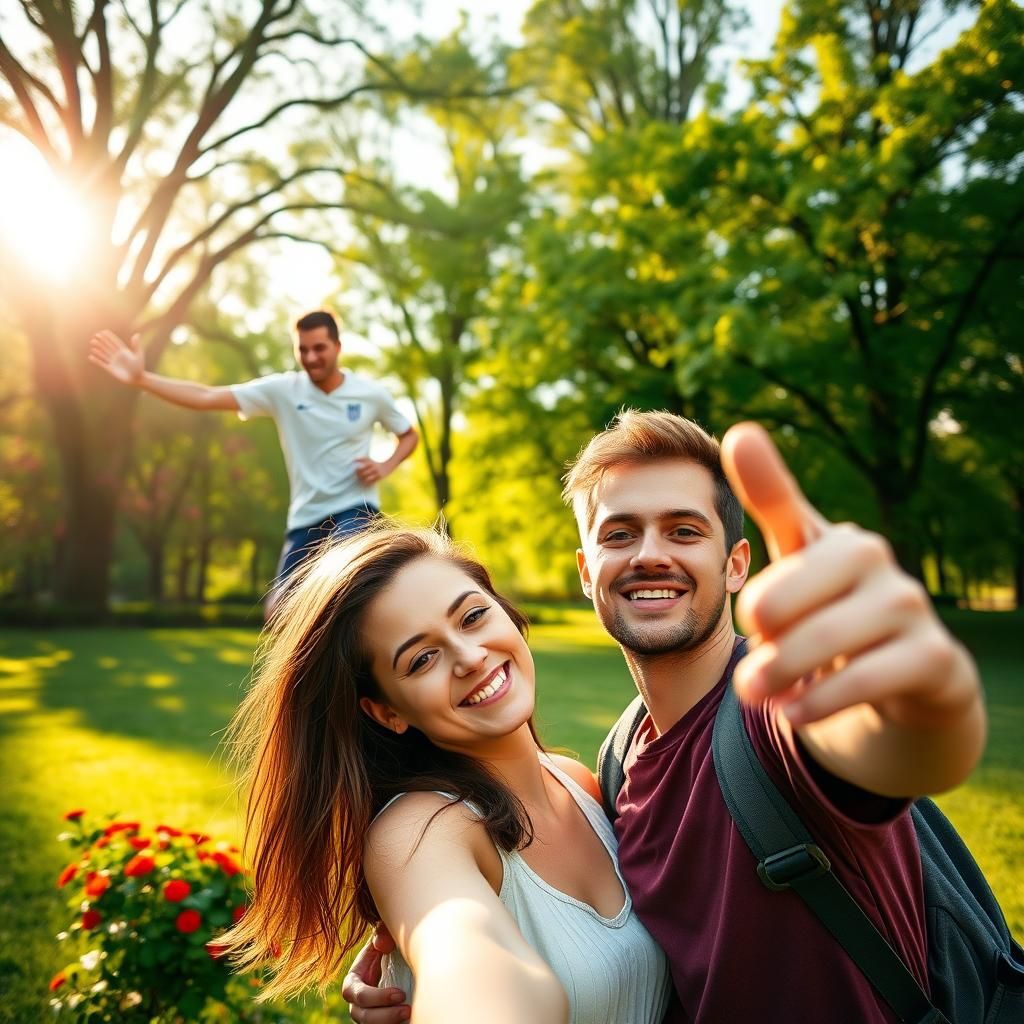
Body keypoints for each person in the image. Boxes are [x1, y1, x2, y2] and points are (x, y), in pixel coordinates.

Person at [345, 411, 985, 1023]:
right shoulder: (612, 770)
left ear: (736, 565)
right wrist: (417, 982)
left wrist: (929, 699)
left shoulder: (780, 710)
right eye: (620, 534)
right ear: (586, 571)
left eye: (685, 530)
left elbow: (891, 742)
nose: (651, 555)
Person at [220, 525, 672, 1024]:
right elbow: (465, 953)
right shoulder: (418, 833)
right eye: (422, 658)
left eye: (473, 616)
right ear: (387, 712)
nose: (470, 657)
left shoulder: (580, 784)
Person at [88, 311, 418, 613]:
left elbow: (408, 435)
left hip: (355, 508)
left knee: (344, 577)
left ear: (338, 347)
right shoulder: (284, 390)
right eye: (302, 350)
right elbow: (206, 396)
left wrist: (385, 465)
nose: (311, 357)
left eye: (319, 348)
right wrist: (142, 379)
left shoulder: (370, 394)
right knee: (276, 611)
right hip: (306, 517)